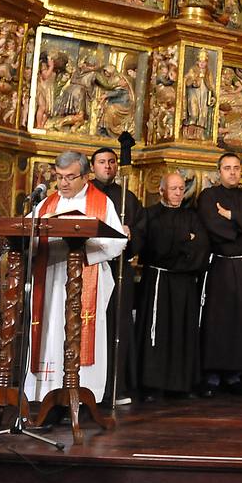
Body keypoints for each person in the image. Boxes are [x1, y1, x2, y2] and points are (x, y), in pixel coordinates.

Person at [25, 150, 128, 407]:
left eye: (70, 177)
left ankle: (79, 397)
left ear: (85, 176)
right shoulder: (46, 204)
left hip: (86, 278)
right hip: (50, 278)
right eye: (59, 177)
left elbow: (116, 242)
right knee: (50, 332)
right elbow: (23, 232)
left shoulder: (101, 203)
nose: (63, 183)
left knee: (80, 333)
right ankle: (46, 396)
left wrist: (80, 247)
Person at [196, 153, 242, 395]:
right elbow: (213, 227)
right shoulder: (209, 196)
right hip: (219, 265)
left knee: (241, 319)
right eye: (227, 168)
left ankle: (235, 375)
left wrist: (231, 216)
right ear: (219, 171)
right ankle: (212, 376)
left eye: (236, 168)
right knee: (216, 320)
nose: (232, 172)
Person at [136, 172, 209, 399]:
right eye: (173, 188)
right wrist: (184, 240)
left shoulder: (192, 217)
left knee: (183, 332)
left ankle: (182, 384)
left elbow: (202, 246)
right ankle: (153, 384)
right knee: (157, 333)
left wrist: (179, 244)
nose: (178, 193)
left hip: (184, 283)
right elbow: (156, 248)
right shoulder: (150, 215)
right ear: (161, 191)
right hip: (158, 281)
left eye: (181, 189)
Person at [90, 147, 143, 406]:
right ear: (93, 166)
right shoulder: (86, 195)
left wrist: (131, 233)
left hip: (119, 267)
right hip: (90, 269)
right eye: (102, 162)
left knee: (117, 328)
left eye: (111, 162)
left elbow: (142, 232)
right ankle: (88, 387)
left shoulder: (127, 198)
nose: (108, 167)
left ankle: (115, 386)